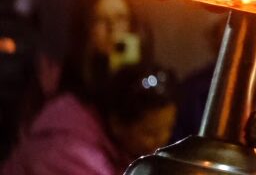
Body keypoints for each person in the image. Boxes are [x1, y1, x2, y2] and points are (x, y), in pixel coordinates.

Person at [3, 62, 176, 174]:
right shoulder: (73, 157)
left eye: (168, 128)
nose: (162, 140)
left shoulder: (117, 149)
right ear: (117, 124)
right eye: (150, 133)